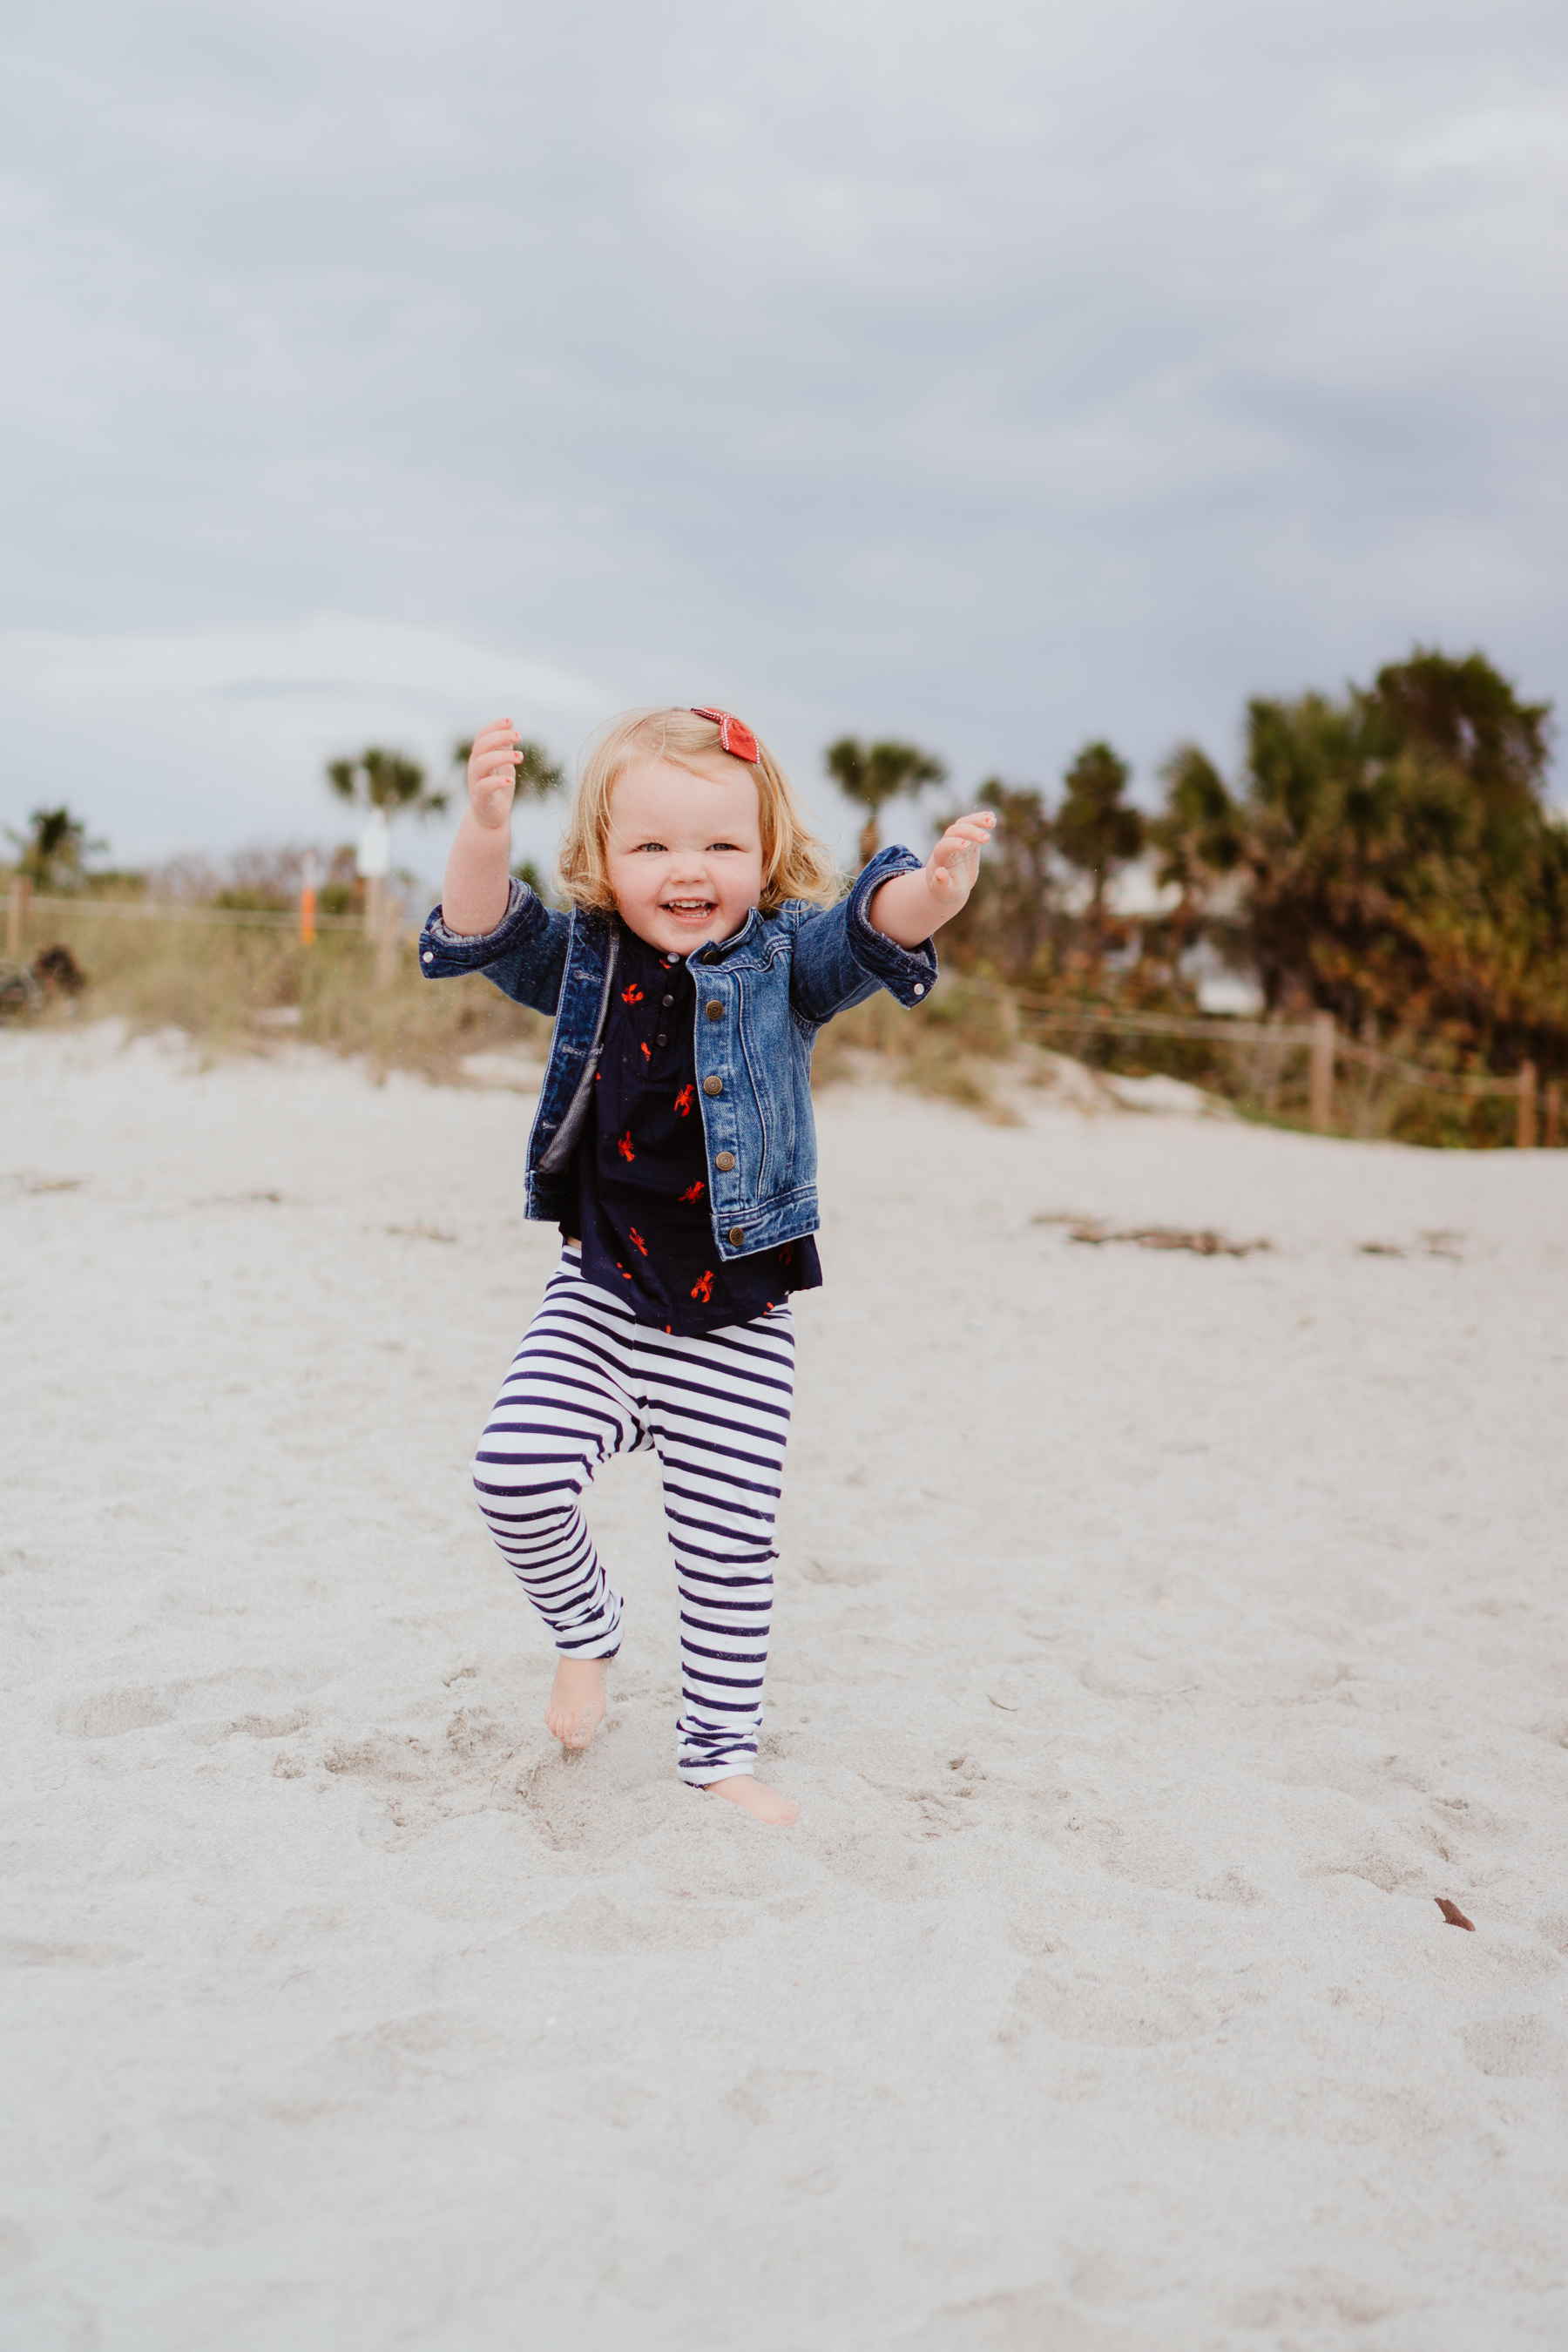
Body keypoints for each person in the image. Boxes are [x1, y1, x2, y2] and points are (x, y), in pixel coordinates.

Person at [420, 706, 993, 1825]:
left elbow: (867, 931)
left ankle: (717, 1753)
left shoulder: (784, 963)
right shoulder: (586, 954)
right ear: (601, 860)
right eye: (652, 847)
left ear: (766, 857)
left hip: (737, 1320)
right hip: (601, 1301)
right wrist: (486, 825)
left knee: (728, 1555)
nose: (689, 871)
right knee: (512, 1473)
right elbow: (481, 926)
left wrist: (935, 893)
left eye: (722, 847)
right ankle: (587, 1631)